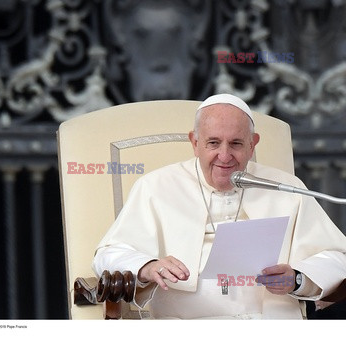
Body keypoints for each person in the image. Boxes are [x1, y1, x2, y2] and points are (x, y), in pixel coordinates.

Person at [92, 93, 346, 319]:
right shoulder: (155, 186)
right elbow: (108, 254)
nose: (225, 157)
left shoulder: (286, 187)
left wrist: (298, 278)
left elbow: (337, 256)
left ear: (252, 143)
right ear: (195, 142)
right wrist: (148, 266)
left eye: (236, 143)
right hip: (183, 323)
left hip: (271, 322)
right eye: (213, 143)